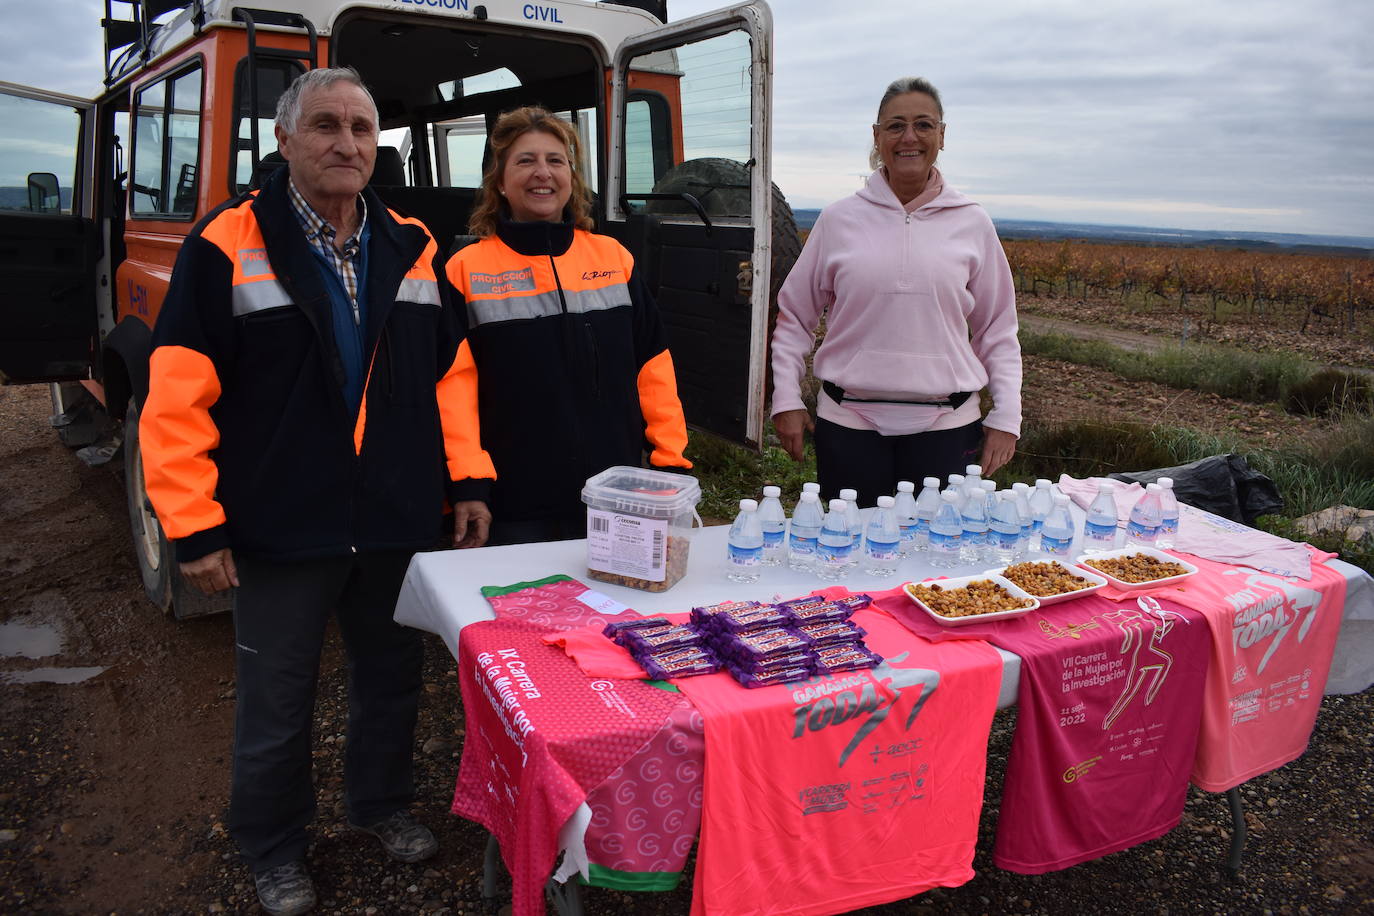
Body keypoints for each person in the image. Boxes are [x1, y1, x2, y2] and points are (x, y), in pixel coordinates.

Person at [139, 67, 495, 916]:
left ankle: (379, 807)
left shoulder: (412, 244)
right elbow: (177, 393)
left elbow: (451, 374)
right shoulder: (225, 245)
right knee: (277, 698)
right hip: (279, 523)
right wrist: (192, 523)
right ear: (284, 141)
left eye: (364, 130)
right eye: (327, 126)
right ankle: (272, 844)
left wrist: (468, 476)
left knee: (391, 679)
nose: (347, 144)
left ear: (380, 146)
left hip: (394, 517)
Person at [444, 106, 691, 545]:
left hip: (617, 493)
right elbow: (454, 389)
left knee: (621, 611)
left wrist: (668, 460)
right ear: (499, 181)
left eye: (556, 160)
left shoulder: (613, 258)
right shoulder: (464, 270)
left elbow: (653, 368)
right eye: (525, 160)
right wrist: (468, 484)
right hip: (514, 502)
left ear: (571, 178)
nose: (543, 172)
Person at [770, 76, 1022, 507]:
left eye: (924, 125)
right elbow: (795, 318)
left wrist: (1007, 415)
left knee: (935, 563)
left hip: (948, 427)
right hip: (848, 423)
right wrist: (786, 399)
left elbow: (997, 328)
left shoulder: (972, 223)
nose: (910, 137)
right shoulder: (838, 220)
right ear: (877, 136)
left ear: (942, 135)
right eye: (895, 126)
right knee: (848, 554)